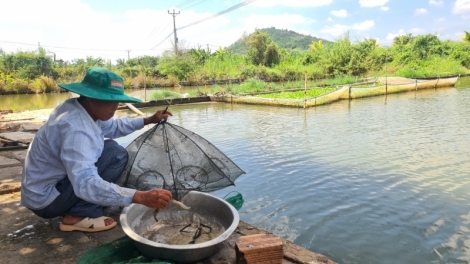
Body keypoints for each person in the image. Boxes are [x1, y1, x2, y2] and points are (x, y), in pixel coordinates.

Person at [21, 67, 173, 232]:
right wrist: (141, 197)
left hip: (41, 189)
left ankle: (75, 206)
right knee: (115, 156)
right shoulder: (77, 130)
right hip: (46, 200)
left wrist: (149, 120)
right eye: (109, 100)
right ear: (91, 98)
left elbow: (114, 126)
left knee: (114, 150)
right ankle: (79, 214)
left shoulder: (77, 107)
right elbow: (85, 183)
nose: (115, 106)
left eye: (117, 100)